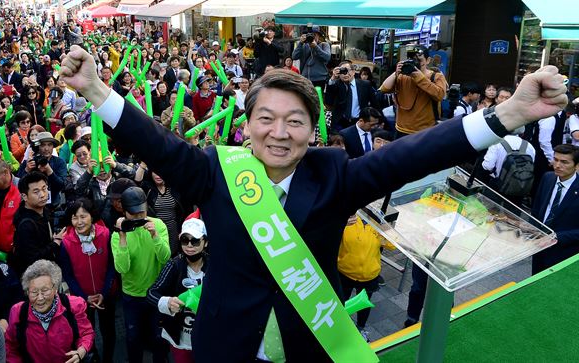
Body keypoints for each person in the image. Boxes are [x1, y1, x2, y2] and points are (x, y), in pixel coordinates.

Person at [59, 44, 567, 362]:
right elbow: (156, 142)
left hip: (307, 344)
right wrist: (97, 89)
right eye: (267, 118)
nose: (279, 133)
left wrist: (506, 114)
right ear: (247, 125)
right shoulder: (216, 170)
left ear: (312, 128)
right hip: (225, 342)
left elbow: (413, 155)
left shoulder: (334, 175)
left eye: (295, 120)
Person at [111, 186, 170, 363]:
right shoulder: (118, 233)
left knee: (159, 338)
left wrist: (155, 236)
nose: (138, 218)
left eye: (141, 214)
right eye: (133, 215)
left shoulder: (158, 225)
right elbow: (122, 268)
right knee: (133, 337)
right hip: (132, 295)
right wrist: (122, 237)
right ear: (124, 212)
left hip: (156, 293)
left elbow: (166, 257)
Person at [59, 198, 117, 363]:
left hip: (106, 295)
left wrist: (103, 293)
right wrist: (85, 297)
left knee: (108, 331)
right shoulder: (66, 243)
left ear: (92, 216)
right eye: (75, 217)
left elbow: (112, 267)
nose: (79, 222)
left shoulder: (105, 235)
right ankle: (95, 359)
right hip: (81, 299)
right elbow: (68, 274)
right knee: (86, 332)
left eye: (83, 216)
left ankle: (108, 359)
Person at [5, 259, 95, 363]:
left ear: (55, 288)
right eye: (34, 292)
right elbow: (10, 346)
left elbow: (86, 333)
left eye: (45, 291)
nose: (40, 298)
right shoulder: (18, 312)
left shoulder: (73, 306)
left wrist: (81, 351)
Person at [147, 218, 209, 362]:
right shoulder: (174, 264)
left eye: (195, 241)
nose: (189, 245)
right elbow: (151, 293)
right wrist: (167, 302)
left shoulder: (214, 266)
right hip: (180, 338)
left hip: (207, 336)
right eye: (184, 240)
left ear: (205, 242)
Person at [379, 45, 447, 138]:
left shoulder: (436, 76)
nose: (415, 63)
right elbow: (384, 89)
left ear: (428, 60)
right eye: (411, 59)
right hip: (401, 129)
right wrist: (396, 73)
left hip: (424, 131)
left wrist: (419, 77)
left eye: (419, 60)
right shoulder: (403, 76)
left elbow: (439, 95)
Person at [531, 144, 579, 274]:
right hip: (539, 247)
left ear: (576, 165)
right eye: (555, 159)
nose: (557, 165)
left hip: (564, 253)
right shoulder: (548, 178)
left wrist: (556, 237)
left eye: (564, 162)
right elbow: (536, 210)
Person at [10, 172, 63, 276]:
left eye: (44, 189)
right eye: (36, 191)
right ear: (24, 196)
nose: (43, 195)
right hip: (35, 276)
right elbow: (32, 259)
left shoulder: (44, 210)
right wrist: (55, 243)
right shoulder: (25, 224)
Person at [17, 131, 67, 206]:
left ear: (53, 147)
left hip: (54, 205)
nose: (46, 149)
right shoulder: (29, 162)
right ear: (38, 147)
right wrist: (27, 170)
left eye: (49, 145)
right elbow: (18, 185)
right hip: (32, 206)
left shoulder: (59, 162)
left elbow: (61, 186)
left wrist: (49, 171)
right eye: (43, 145)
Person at [325, 60, 376, 131]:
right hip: (340, 123)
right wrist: (333, 78)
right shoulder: (335, 85)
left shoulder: (365, 85)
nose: (345, 74)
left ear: (353, 72)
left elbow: (375, 104)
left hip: (359, 122)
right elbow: (328, 101)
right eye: (342, 71)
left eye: (347, 70)